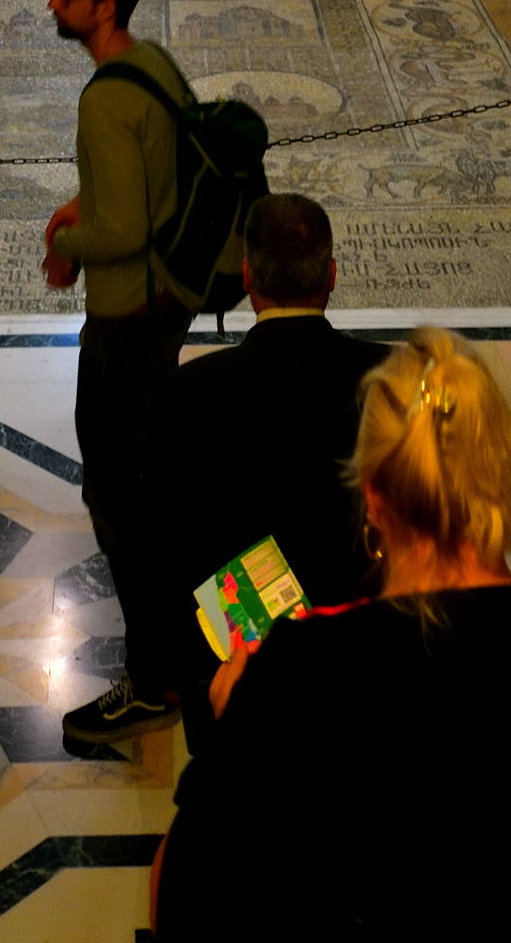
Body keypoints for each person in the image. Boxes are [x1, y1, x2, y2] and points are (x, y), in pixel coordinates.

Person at [153, 331, 511, 941]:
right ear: (505, 477)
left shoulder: (294, 677)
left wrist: (233, 741)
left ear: (373, 496)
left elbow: (184, 908)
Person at [151, 193, 384, 748]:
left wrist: (176, 663)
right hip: (366, 661)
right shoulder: (392, 379)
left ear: (248, 278)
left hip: (236, 667)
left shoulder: (187, 393)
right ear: (331, 276)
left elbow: (163, 546)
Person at [42, 0, 195, 746]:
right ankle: (179, 645)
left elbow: (123, 228)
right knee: (155, 481)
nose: (53, 4)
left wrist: (65, 242)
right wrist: (86, 205)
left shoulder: (105, 97)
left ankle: (153, 677)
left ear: (104, 7)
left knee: (117, 499)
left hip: (126, 317)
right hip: (168, 301)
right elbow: (150, 180)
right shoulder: (155, 63)